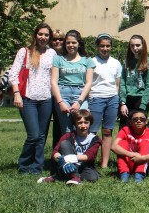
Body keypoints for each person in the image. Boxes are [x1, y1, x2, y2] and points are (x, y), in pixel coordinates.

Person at [10, 23, 57, 174]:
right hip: (27, 98)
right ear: (35, 35)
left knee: (42, 136)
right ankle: (23, 165)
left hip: (46, 99)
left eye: (46, 35)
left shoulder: (52, 54)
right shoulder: (24, 52)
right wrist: (16, 93)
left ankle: (37, 167)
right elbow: (13, 74)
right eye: (40, 34)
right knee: (34, 135)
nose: (43, 37)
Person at [37, 109, 101, 185]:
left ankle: (58, 176)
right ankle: (74, 177)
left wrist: (69, 158)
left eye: (86, 123)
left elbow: (89, 156)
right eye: (80, 123)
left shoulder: (95, 139)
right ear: (75, 124)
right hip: (67, 164)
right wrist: (62, 160)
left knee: (92, 177)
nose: (83, 126)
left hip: (84, 166)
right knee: (64, 143)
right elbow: (55, 152)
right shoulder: (68, 136)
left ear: (90, 123)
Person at [51, 29, 95, 135]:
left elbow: (89, 83)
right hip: (62, 94)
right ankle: (68, 151)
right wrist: (60, 102)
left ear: (79, 44)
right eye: (68, 42)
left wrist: (79, 102)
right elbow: (53, 81)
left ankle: (81, 151)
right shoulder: (58, 59)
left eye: (74, 42)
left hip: (80, 95)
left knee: (82, 127)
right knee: (67, 130)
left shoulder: (88, 61)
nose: (71, 45)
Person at [88, 33, 122, 168]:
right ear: (97, 46)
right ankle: (89, 160)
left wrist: (116, 99)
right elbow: (88, 82)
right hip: (96, 97)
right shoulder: (91, 62)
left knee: (108, 131)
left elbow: (117, 84)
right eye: (102, 46)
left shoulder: (116, 63)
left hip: (112, 98)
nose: (105, 48)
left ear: (111, 47)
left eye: (108, 46)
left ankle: (104, 164)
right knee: (92, 131)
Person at [111, 109, 149, 182]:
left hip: (142, 162)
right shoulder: (125, 130)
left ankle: (139, 176)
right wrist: (131, 154)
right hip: (128, 160)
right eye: (135, 119)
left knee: (145, 143)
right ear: (130, 122)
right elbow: (113, 146)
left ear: (146, 121)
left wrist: (142, 158)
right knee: (121, 143)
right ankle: (124, 175)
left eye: (142, 119)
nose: (138, 121)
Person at [119, 35, 149, 125]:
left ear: (143, 45)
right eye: (132, 45)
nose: (135, 48)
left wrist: (143, 105)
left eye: (138, 45)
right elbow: (122, 82)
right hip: (127, 99)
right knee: (125, 128)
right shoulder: (126, 62)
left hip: (141, 99)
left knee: (138, 128)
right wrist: (123, 103)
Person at [49, 29, 65, 148]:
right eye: (55, 39)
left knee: (61, 126)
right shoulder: (48, 54)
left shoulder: (67, 55)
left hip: (62, 95)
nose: (58, 41)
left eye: (61, 39)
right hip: (47, 94)